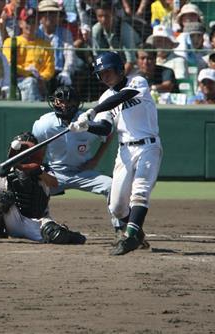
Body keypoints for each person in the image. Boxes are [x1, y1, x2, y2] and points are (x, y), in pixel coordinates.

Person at [69, 51, 162, 255]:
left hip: (148, 146)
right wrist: (87, 127)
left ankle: (129, 236)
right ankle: (136, 233)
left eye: (108, 71)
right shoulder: (105, 97)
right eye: (101, 74)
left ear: (119, 69)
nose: (105, 77)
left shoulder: (138, 81)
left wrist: (92, 111)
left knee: (140, 191)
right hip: (124, 151)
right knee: (117, 207)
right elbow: (105, 128)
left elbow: (124, 96)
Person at [31, 86, 126, 240]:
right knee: (34, 187)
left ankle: (120, 229)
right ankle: (43, 224)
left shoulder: (87, 121)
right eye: (60, 100)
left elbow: (108, 134)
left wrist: (95, 160)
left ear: (77, 102)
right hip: (55, 172)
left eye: (69, 101)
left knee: (111, 186)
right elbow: (36, 148)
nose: (64, 104)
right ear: (53, 102)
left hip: (82, 172)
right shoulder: (44, 124)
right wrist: (41, 169)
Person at [0, 131, 86, 244]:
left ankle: (68, 235)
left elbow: (54, 183)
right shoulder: (8, 169)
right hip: (13, 219)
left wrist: (38, 172)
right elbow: (0, 195)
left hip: (36, 221)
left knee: (56, 235)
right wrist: (4, 173)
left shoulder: (43, 168)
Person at [2, 7, 55, 102]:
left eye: (34, 22)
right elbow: (8, 65)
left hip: (40, 83)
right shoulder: (10, 42)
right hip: (15, 82)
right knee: (30, 82)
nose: (31, 25)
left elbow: (49, 69)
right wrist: (30, 74)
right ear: (20, 23)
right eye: (28, 22)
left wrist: (41, 78)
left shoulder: (46, 45)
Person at [91, 0, 140, 75]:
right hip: (114, 65)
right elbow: (98, 57)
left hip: (135, 67)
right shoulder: (96, 30)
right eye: (100, 16)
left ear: (113, 14)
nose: (103, 20)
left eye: (107, 16)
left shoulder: (125, 30)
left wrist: (116, 80)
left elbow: (131, 61)